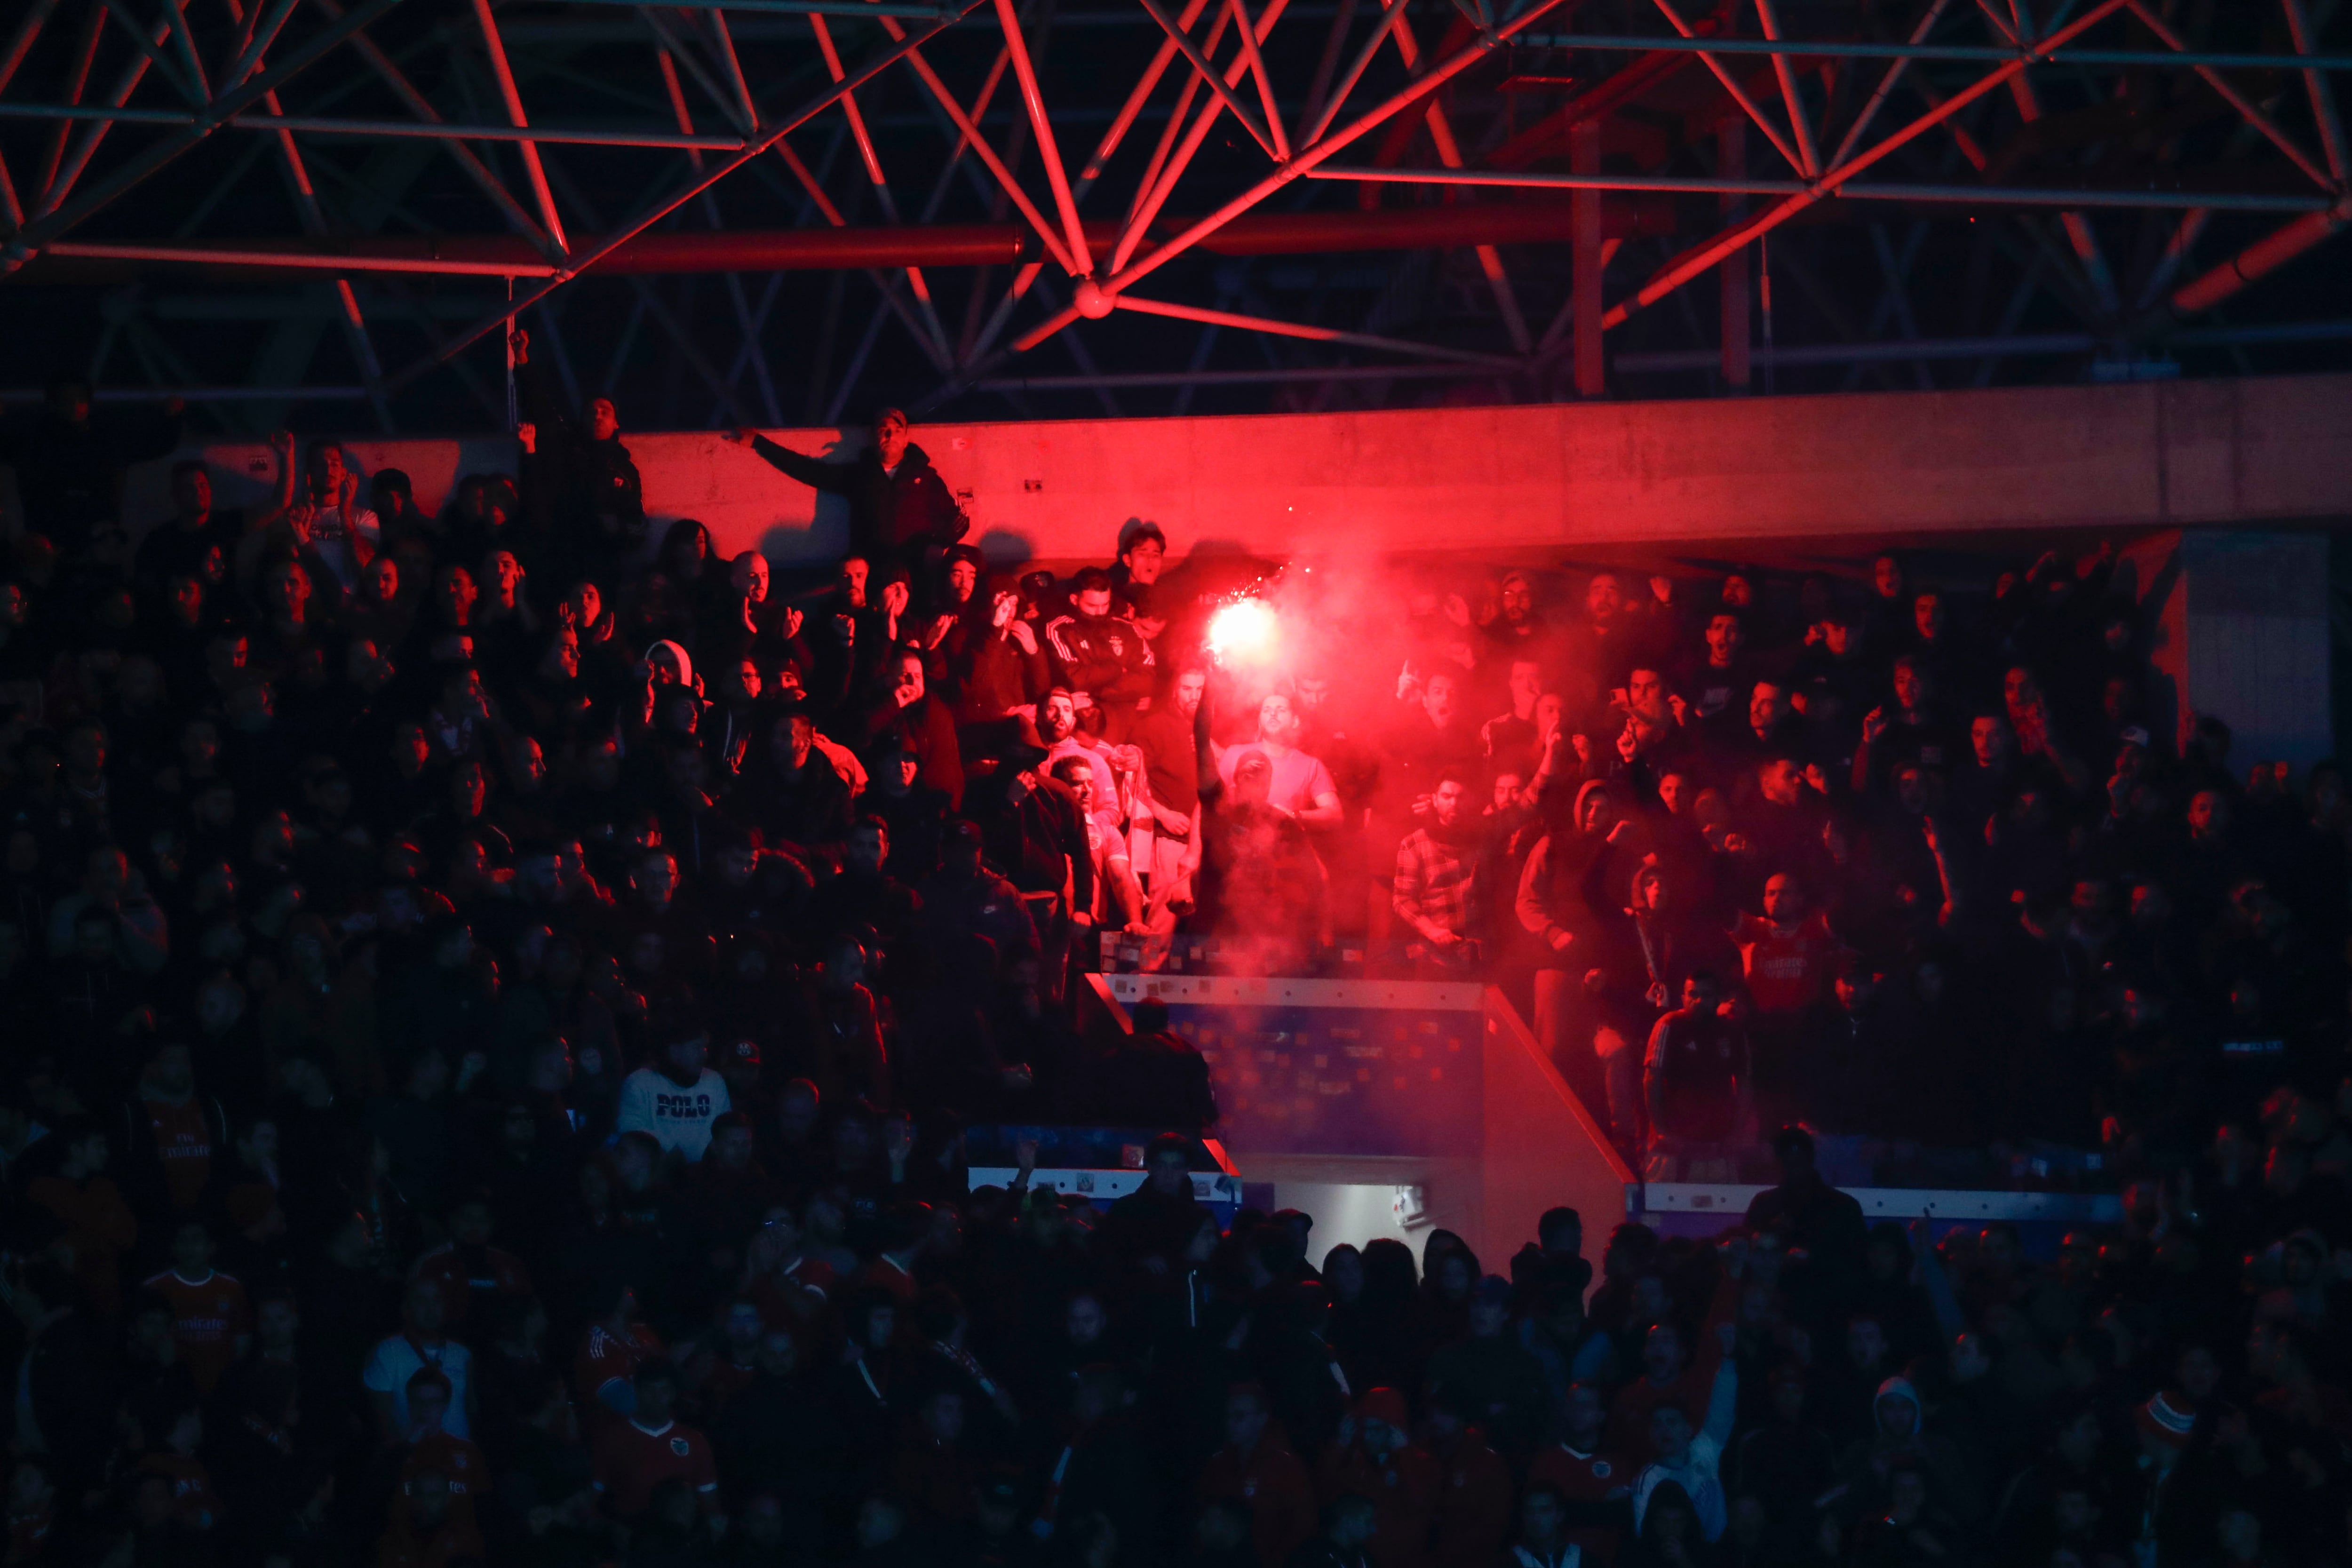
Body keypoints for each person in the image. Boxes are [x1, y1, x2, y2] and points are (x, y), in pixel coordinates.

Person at [723, 407, 967, 569]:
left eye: (897, 430)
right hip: (869, 573)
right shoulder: (859, 475)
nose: (890, 434)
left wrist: (939, 546)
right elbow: (808, 471)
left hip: (914, 575)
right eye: (884, 430)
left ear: (906, 438)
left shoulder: (926, 477)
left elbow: (958, 521)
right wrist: (759, 443)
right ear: (874, 437)